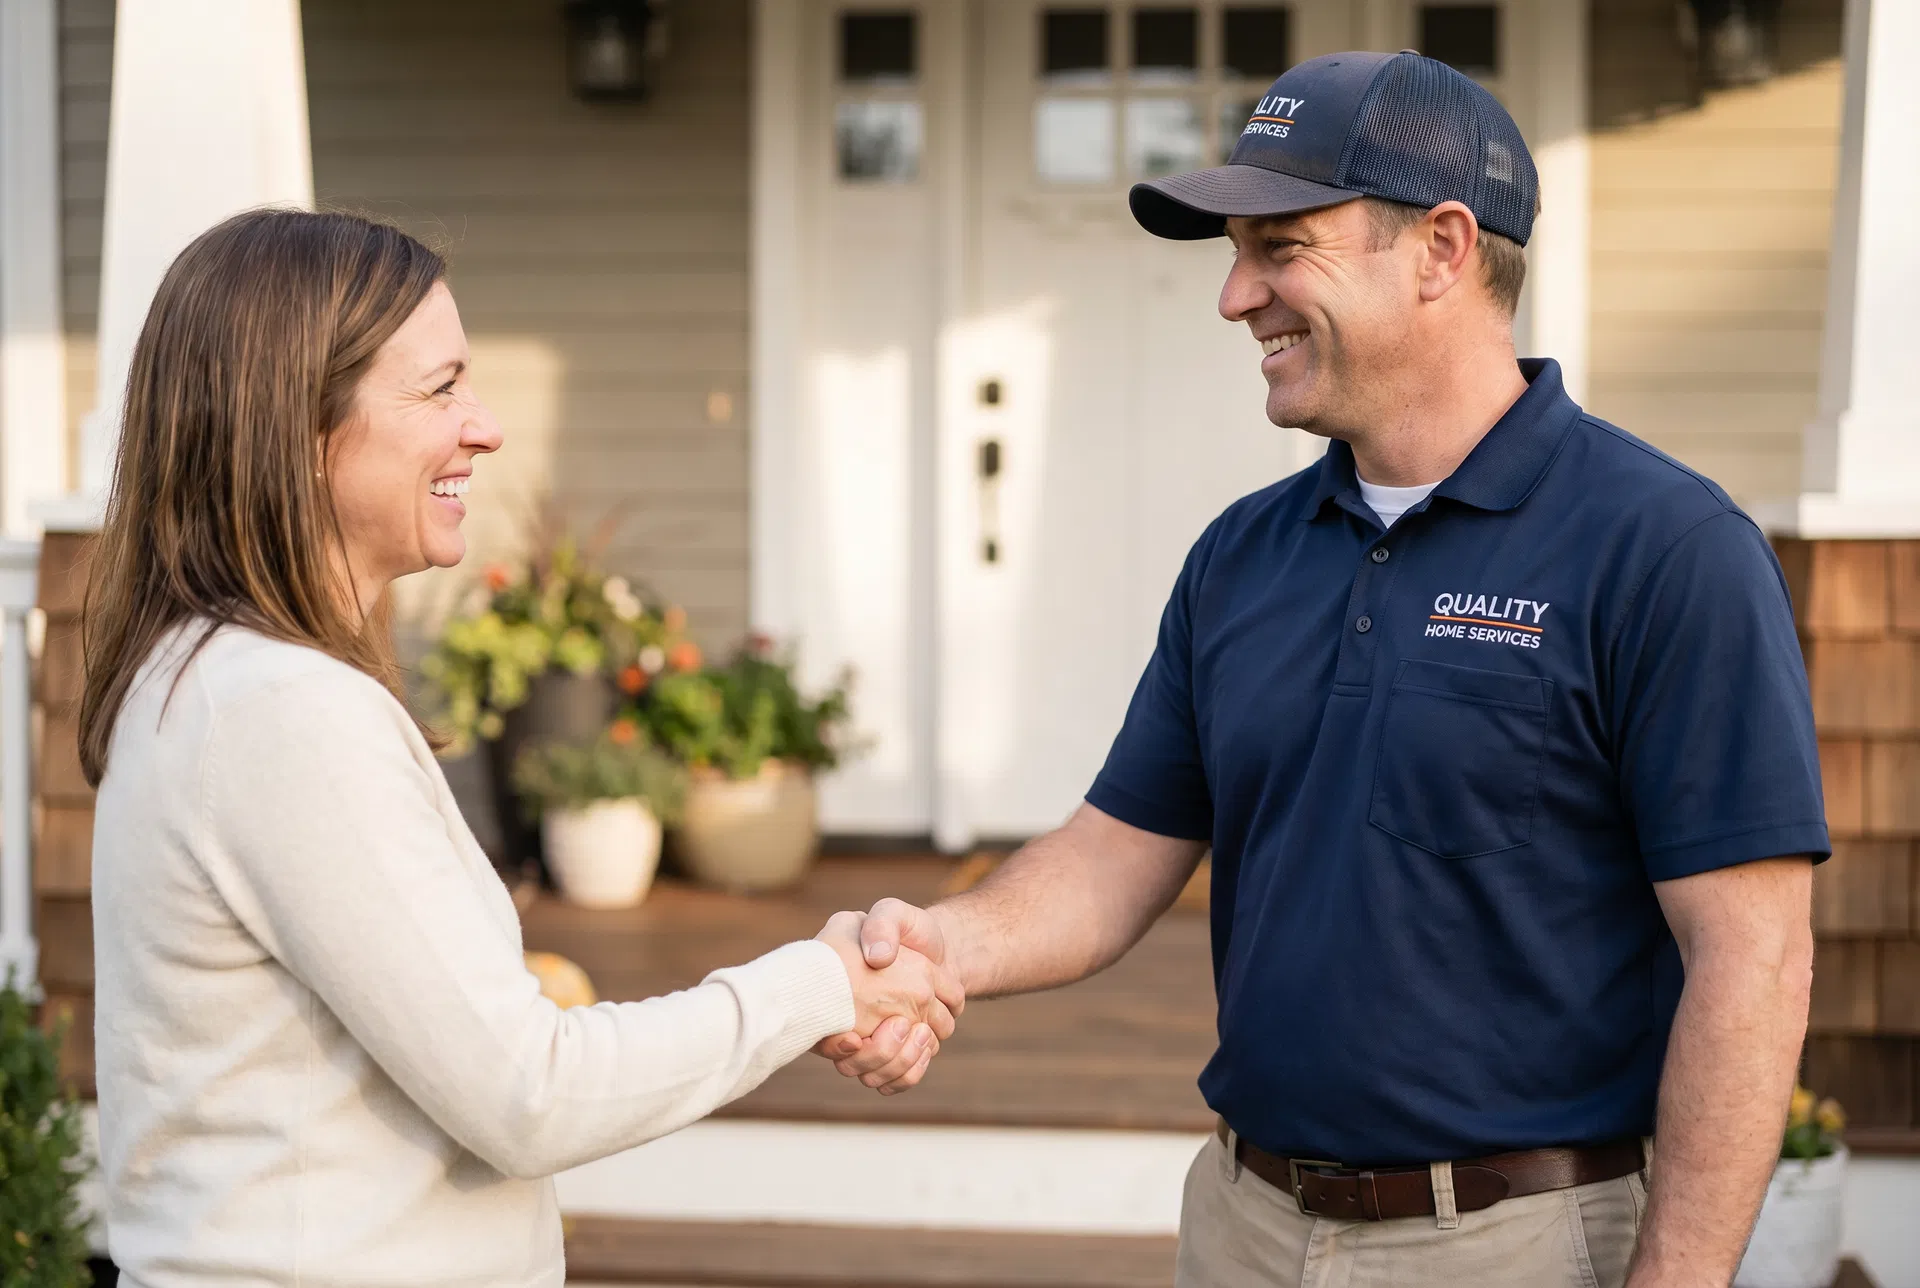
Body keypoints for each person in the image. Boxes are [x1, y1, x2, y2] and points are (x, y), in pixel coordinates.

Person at [818, 51, 1825, 1288]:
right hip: (1245, 1226)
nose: (1236, 296)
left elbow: (1754, 962)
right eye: (1235, 253)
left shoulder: (1665, 552)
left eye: (1281, 248)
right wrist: (939, 945)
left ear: (1442, 249)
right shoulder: (1243, 556)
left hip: (1516, 1245)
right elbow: (1111, 855)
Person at [81, 209, 958, 1288]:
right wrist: (818, 985)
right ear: (300, 428)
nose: (486, 428)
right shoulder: (279, 712)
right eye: (439, 388)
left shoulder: (214, 680)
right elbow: (530, 1093)